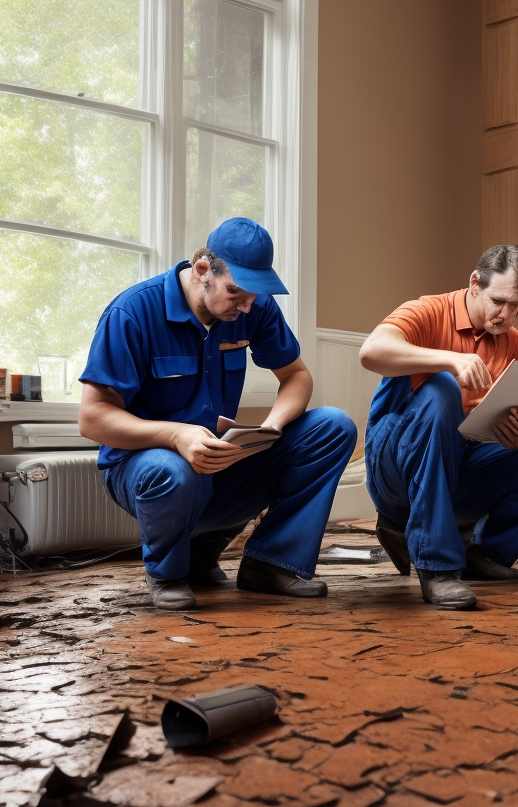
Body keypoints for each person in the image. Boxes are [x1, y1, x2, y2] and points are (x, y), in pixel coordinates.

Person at [78, 218, 357, 610]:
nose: (247, 306)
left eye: (255, 294)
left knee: (333, 426)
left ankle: (271, 564)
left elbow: (297, 376)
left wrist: (271, 428)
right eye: (236, 292)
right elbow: (92, 417)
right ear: (202, 270)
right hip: (146, 466)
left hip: (218, 460)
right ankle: (169, 573)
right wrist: (176, 435)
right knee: (170, 469)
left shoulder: (252, 306)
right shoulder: (132, 313)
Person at [358, 244, 518, 610]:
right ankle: (437, 567)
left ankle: (483, 554)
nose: (506, 315)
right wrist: (450, 360)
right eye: (498, 301)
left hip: (460, 464)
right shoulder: (429, 310)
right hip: (395, 465)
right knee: (441, 389)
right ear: (475, 284)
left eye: (516, 305)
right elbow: (371, 352)